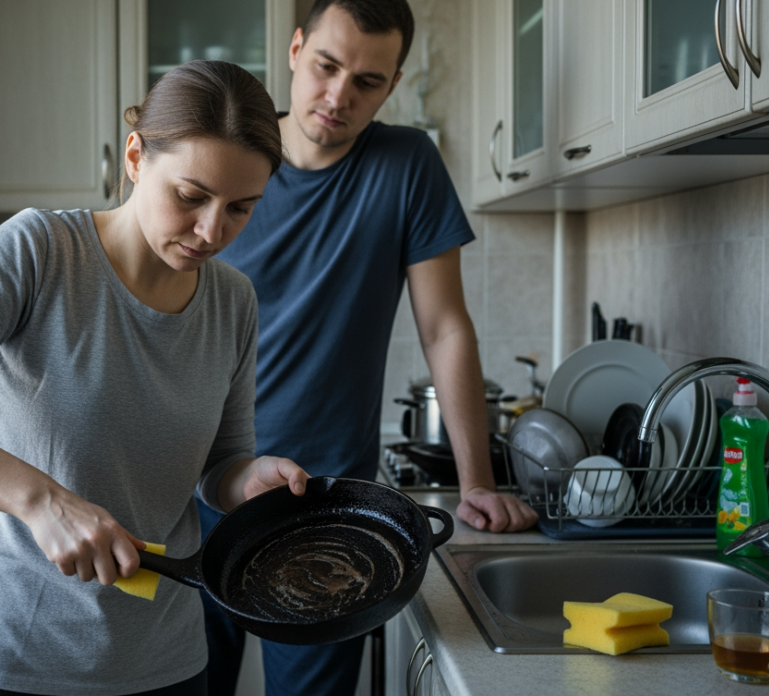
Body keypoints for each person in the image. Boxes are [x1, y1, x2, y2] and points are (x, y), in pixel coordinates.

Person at [0, 61, 310, 696]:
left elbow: (222, 462)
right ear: (135, 157)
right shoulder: (39, 251)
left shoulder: (234, 301)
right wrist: (41, 500)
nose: (211, 231)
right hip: (10, 657)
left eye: (240, 208)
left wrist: (246, 480)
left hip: (165, 661)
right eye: (190, 195)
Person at [198, 2, 540, 694]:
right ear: (295, 50)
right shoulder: (229, 166)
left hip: (325, 508)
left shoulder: (408, 163)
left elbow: (445, 326)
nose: (338, 96)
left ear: (394, 84)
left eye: (367, 81)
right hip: (194, 491)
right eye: (326, 66)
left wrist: (478, 482)